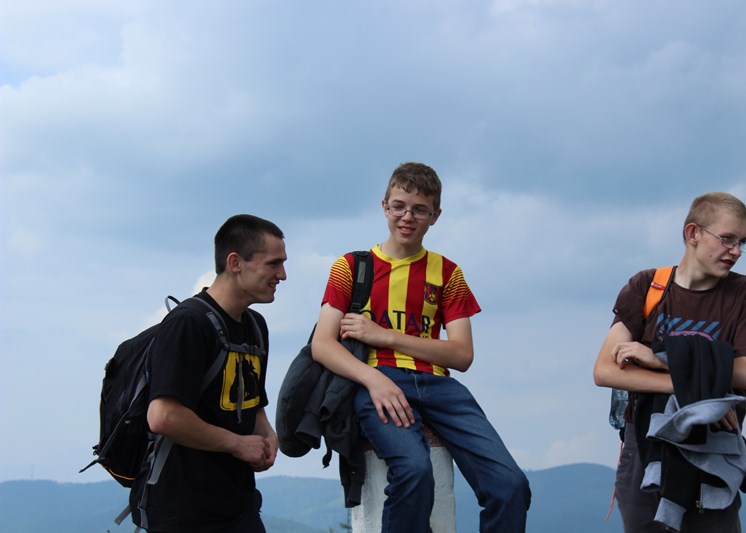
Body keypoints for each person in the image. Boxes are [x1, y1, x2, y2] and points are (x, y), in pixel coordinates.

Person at [311, 162, 531, 532]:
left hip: (440, 387)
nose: (407, 217)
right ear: (384, 206)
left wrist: (385, 336)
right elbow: (322, 345)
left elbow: (462, 355)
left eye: (419, 210)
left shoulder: (448, 273)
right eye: (398, 206)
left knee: (510, 485)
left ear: (435, 216)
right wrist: (373, 380)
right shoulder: (350, 267)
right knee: (414, 471)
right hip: (379, 381)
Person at [593, 192, 746, 532]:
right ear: (693, 233)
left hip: (713, 445)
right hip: (645, 445)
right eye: (727, 239)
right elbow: (605, 371)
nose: (736, 251)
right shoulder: (648, 287)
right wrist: (696, 390)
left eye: (742, 242)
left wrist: (658, 359)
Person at [131, 214, 287, 533]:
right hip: (183, 510)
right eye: (274, 263)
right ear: (235, 262)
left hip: (238, 503)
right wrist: (237, 444)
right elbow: (163, 416)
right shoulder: (189, 323)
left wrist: (267, 435)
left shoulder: (255, 327)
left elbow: (251, 402)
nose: (282, 275)